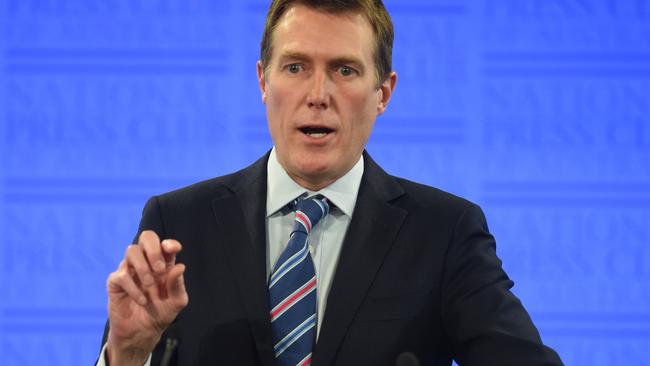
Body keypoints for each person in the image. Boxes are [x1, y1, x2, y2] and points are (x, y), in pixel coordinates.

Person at [97, 0, 564, 365]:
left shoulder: (445, 233)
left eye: (344, 70)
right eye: (295, 67)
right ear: (263, 81)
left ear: (384, 93)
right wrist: (129, 354)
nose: (317, 96)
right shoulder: (179, 224)